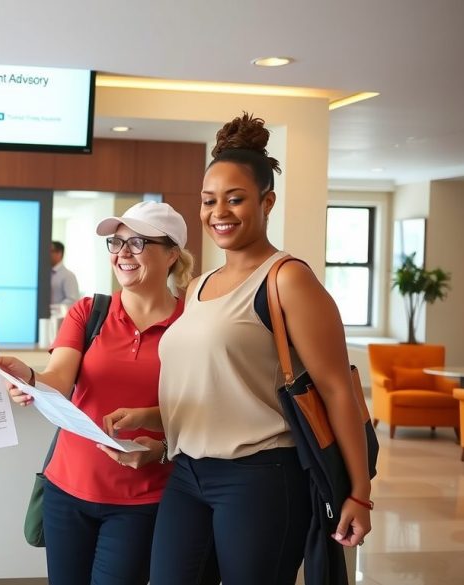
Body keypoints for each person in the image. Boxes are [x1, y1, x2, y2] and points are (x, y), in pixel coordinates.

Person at [101, 113, 373, 585]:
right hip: (186, 475)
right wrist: (153, 424)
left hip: (261, 476)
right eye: (209, 201)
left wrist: (360, 494)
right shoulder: (199, 284)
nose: (218, 212)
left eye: (235, 199)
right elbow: (217, 384)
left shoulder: (287, 279)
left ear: (266, 201)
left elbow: (336, 390)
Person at [0, 202, 203, 585]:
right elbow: (59, 378)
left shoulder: (192, 325)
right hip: (66, 490)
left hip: (143, 499)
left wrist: (159, 445)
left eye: (137, 242)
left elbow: (200, 407)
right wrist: (31, 379)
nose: (122, 253)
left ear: (172, 254)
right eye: (117, 243)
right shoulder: (90, 311)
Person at [50, 240, 81, 306]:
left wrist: (51, 308)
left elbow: (72, 300)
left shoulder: (68, 275)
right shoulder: (44, 273)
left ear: (59, 253)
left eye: (51, 251)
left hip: (58, 315)